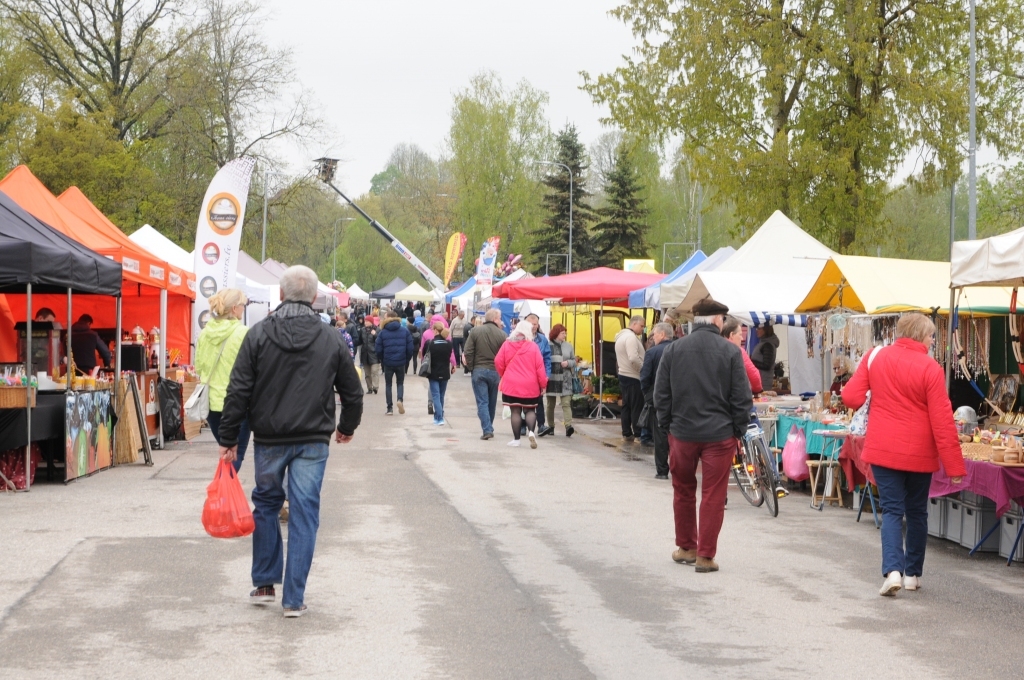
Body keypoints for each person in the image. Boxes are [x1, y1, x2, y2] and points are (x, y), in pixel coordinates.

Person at [218, 265, 363, 618]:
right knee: (304, 512)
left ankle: (265, 581)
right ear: (314, 298)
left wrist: (228, 437)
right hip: (313, 438)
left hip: (269, 438)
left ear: (280, 295)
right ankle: (294, 598)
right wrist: (346, 426)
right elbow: (353, 391)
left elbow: (238, 389)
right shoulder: (331, 338)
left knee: (267, 504)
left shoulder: (258, 334)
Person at [842, 313, 966, 597]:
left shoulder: (876, 356)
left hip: (884, 450)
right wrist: (954, 466)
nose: (934, 340)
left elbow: (851, 397)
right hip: (920, 454)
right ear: (919, 335)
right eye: (932, 335)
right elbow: (942, 420)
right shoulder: (931, 368)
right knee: (918, 512)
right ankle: (912, 574)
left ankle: (893, 571)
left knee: (893, 511)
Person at [655, 298, 752, 573]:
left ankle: (687, 547)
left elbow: (661, 394)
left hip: (682, 431)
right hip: (719, 434)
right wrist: (738, 429)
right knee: (713, 494)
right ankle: (705, 556)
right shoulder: (731, 352)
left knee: (683, 489)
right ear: (718, 320)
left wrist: (667, 426)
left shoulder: (673, 349)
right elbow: (741, 396)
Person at [195, 289, 251, 472]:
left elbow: (199, 367)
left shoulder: (205, 334)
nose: (244, 309)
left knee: (227, 454)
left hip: (212, 404)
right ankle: (220, 497)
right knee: (236, 454)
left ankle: (221, 496)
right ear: (235, 309)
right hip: (237, 403)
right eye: (243, 305)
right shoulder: (243, 333)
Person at [495, 320, 547, 449]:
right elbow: (540, 368)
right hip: (530, 385)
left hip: (512, 384)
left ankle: (517, 439)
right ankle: (531, 432)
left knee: (515, 411)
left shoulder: (507, 344)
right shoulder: (533, 346)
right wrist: (543, 384)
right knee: (530, 410)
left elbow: (498, 361)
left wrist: (504, 373)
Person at [464, 309, 507, 440]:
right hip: (495, 372)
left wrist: (472, 367)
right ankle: (489, 426)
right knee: (492, 402)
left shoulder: (475, 331)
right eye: (499, 318)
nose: (500, 320)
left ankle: (487, 428)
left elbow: (468, 351)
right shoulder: (502, 335)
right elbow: (505, 355)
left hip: (479, 369)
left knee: (482, 401)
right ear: (494, 319)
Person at [640, 323, 675, 479]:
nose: (652, 338)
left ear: (662, 334)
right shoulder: (680, 349)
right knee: (677, 435)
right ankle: (678, 468)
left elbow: (645, 377)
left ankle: (662, 471)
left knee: (660, 435)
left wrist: (648, 395)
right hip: (679, 398)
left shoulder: (652, 352)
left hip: (658, 399)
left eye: (654, 335)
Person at [614, 315, 647, 443]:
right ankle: (638, 434)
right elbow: (633, 357)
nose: (643, 329)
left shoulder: (620, 336)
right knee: (636, 406)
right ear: (634, 324)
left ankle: (626, 432)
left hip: (623, 373)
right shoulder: (631, 338)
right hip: (633, 375)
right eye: (642, 326)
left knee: (626, 405)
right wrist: (643, 369)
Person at [375, 311, 415, 415]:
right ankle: (400, 400)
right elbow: (410, 348)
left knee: (388, 384)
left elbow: (378, 348)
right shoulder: (404, 331)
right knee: (400, 383)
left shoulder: (383, 332)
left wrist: (382, 360)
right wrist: (406, 360)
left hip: (388, 361)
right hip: (401, 361)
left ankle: (389, 408)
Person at [545, 324, 576, 437]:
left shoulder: (568, 346)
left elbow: (574, 360)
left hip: (565, 379)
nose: (565, 335)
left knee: (566, 403)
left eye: (565, 333)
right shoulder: (548, 345)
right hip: (552, 378)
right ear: (556, 333)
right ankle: (551, 426)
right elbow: (544, 359)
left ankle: (568, 426)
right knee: (550, 404)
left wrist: (568, 363)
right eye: (563, 333)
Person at [420, 314, 455, 415]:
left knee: (433, 387)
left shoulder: (426, 334)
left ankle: (430, 403)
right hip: (444, 366)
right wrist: (453, 363)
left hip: (431, 364)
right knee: (441, 393)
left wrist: (424, 363)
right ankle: (440, 412)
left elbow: (423, 350)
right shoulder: (447, 336)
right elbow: (451, 352)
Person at [524, 313, 552, 436]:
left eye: (535, 324)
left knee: (539, 400)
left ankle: (541, 425)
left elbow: (547, 359)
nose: (533, 326)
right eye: (531, 324)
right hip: (523, 374)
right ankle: (522, 425)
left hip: (537, 375)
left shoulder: (542, 339)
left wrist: (546, 375)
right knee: (523, 401)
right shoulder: (519, 338)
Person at [721, 319, 762, 394]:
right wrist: (757, 390)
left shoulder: (715, 348)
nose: (742, 338)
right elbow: (754, 376)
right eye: (740, 334)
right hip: (735, 396)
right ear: (732, 335)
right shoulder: (738, 351)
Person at [426, 322, 456, 425]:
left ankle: (439, 417)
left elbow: (426, 356)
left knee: (435, 396)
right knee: (441, 396)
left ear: (435, 330)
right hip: (445, 372)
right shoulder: (448, 344)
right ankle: (438, 416)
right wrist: (453, 365)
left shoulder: (430, 343)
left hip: (433, 372)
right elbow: (450, 356)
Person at [750, 322, 779, 391]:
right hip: (759, 381)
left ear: (766, 330)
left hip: (763, 383)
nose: (756, 330)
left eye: (759, 328)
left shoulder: (768, 345)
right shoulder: (762, 343)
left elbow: (767, 365)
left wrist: (751, 362)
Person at [358, 316, 380, 394]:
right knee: (367, 374)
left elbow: (380, 341)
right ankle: (369, 388)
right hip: (365, 354)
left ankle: (375, 387)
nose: (365, 322)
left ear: (371, 322)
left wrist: (375, 335)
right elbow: (359, 341)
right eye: (365, 321)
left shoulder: (377, 329)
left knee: (374, 372)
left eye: (367, 321)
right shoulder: (362, 330)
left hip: (374, 354)